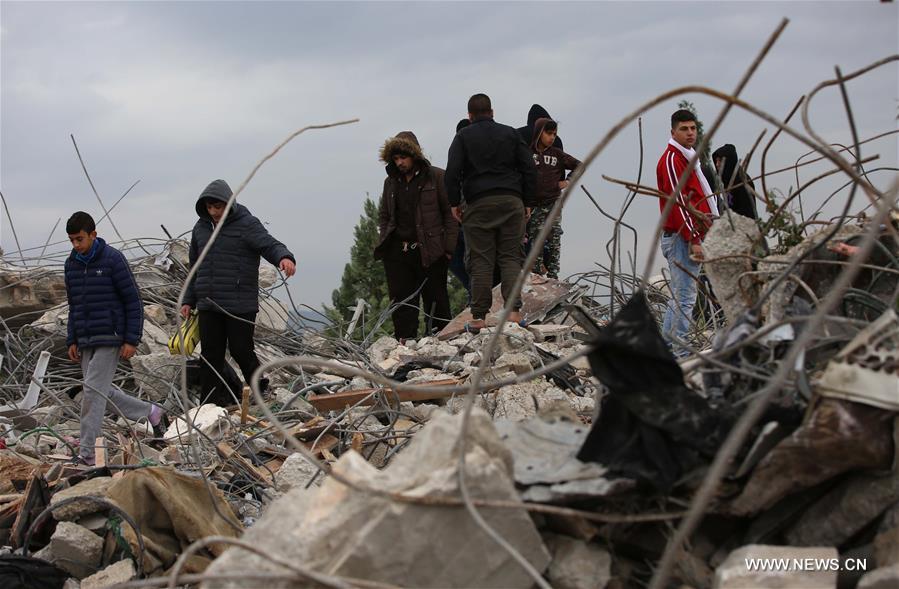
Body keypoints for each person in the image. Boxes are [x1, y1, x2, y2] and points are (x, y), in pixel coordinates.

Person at [182, 180, 296, 405]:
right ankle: (210, 402)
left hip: (239, 302)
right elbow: (194, 267)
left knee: (240, 349)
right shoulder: (201, 228)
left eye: (218, 207)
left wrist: (284, 257)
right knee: (210, 354)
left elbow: (269, 244)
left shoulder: (246, 224)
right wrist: (188, 299)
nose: (214, 212)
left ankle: (259, 388)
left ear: (229, 204)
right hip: (208, 302)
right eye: (209, 207)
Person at [64, 211, 165, 465]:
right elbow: (73, 305)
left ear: (93, 235)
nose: (76, 245)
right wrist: (72, 339)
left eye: (80, 239)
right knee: (99, 391)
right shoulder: (71, 264)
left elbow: (133, 300)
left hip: (111, 336)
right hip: (86, 338)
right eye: (72, 240)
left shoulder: (113, 260)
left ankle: (87, 453)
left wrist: (132, 339)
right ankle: (150, 412)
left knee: (92, 392)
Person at [445, 93, 537, 333]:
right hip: (511, 201)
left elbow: (452, 172)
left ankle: (478, 318)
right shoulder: (511, 133)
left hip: (478, 205)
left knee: (481, 261)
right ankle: (514, 314)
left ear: (469, 115)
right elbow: (529, 167)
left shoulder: (463, 136)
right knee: (510, 258)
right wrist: (527, 201)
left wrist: (454, 203)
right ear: (492, 112)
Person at [374, 131, 458, 340]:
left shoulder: (437, 177)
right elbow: (385, 215)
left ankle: (439, 345)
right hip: (397, 251)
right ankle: (404, 346)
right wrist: (385, 241)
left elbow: (450, 215)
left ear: (414, 155)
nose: (400, 162)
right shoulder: (391, 182)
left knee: (436, 302)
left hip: (430, 251)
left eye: (403, 157)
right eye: (396, 158)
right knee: (402, 303)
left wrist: (448, 249)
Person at [656, 109, 716, 356]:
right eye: (684, 129)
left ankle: (670, 348)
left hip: (691, 235)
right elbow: (678, 201)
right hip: (682, 237)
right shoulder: (672, 159)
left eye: (693, 128)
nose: (690, 133)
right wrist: (693, 238)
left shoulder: (689, 158)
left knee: (682, 296)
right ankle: (678, 352)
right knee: (685, 297)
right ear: (673, 132)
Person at [527, 118, 581, 279]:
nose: (551, 137)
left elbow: (580, 165)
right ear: (538, 133)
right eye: (548, 133)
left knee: (554, 238)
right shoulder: (527, 153)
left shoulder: (557, 154)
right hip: (534, 204)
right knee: (536, 239)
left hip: (553, 203)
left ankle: (554, 275)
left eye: (554, 134)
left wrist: (568, 181)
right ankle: (536, 274)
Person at [712, 144, 759, 220]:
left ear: (728, 161)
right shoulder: (727, 181)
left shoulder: (742, 181)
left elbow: (747, 212)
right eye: (716, 161)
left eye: (720, 160)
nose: (717, 164)